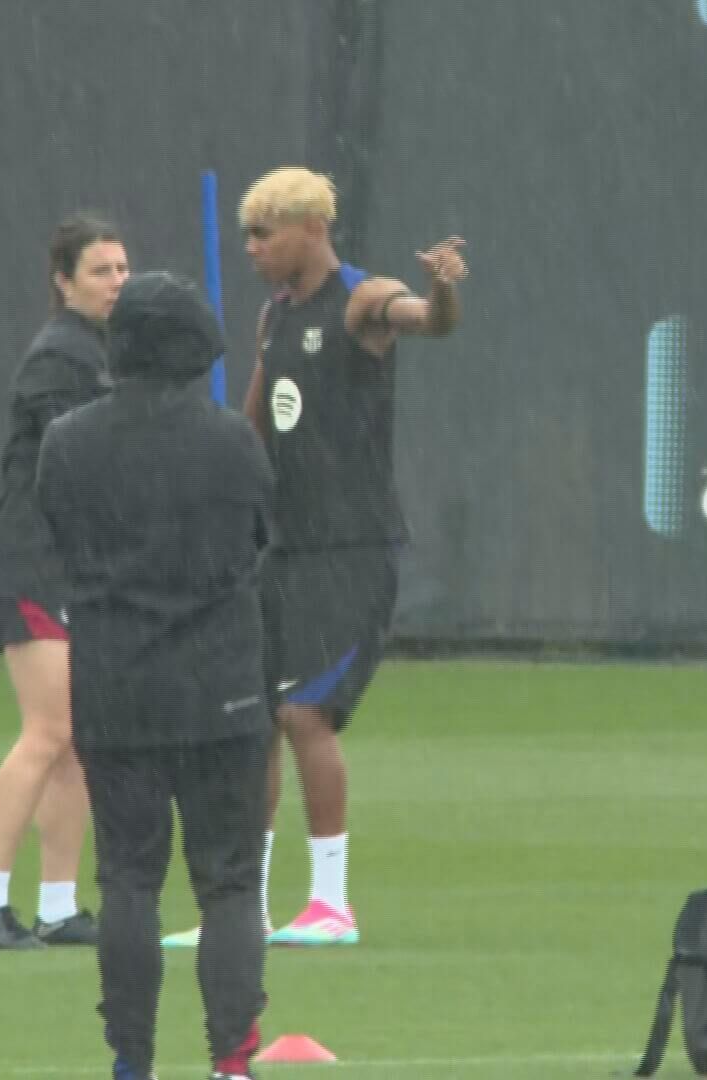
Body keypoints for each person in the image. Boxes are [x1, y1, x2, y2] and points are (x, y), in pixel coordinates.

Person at [165, 167, 467, 949]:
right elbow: (255, 420)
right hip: (284, 549)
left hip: (352, 550)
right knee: (256, 720)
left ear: (309, 229)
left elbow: (427, 322)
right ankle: (244, 910)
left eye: (264, 235)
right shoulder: (274, 316)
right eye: (248, 237)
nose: (254, 249)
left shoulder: (362, 301)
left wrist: (441, 294)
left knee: (305, 714)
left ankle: (331, 905)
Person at [36, 271, 275, 1080]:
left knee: (129, 878)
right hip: (223, 687)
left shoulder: (68, 440)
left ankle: (131, 1059)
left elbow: (59, 535)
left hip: (117, 684)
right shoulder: (230, 439)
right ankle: (232, 1060)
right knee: (230, 884)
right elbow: (260, 538)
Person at [0, 213, 129, 950]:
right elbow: (75, 463)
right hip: (32, 568)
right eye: (101, 270)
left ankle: (59, 906)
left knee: (77, 742)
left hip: (72, 570)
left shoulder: (98, 350)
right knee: (49, 731)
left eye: (124, 269)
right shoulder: (60, 357)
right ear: (63, 282)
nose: (117, 282)